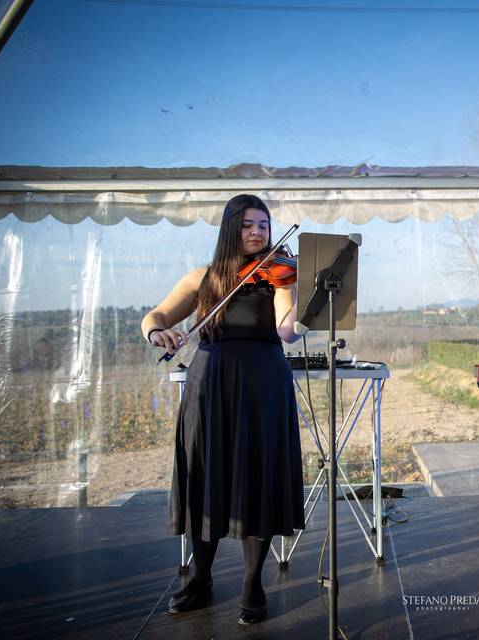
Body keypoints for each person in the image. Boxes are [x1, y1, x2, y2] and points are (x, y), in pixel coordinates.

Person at [141, 194, 304, 625]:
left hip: (263, 386)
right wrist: (157, 333)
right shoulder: (203, 278)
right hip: (209, 385)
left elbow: (286, 329)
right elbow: (156, 315)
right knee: (204, 477)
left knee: (258, 477)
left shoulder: (280, 277)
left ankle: (252, 582)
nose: (257, 232)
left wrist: (306, 316)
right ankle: (201, 576)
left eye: (264, 225)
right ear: (231, 229)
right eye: (249, 224)